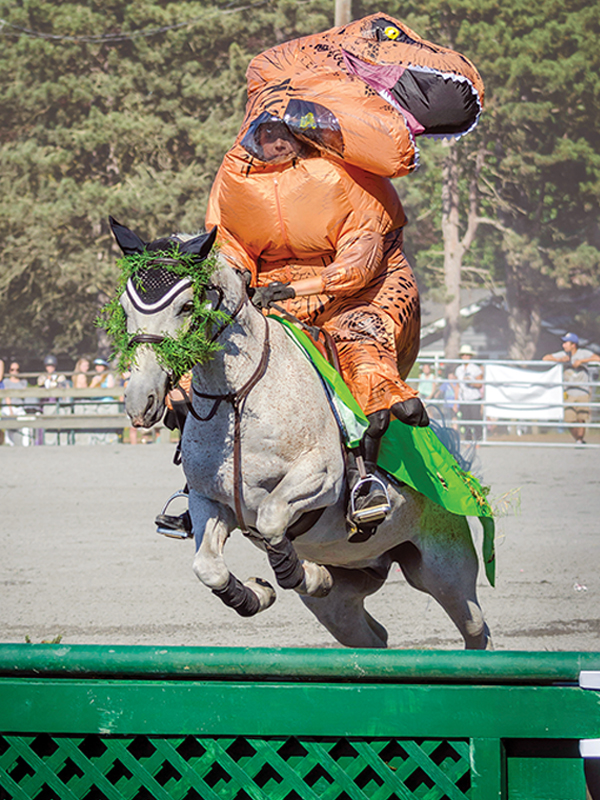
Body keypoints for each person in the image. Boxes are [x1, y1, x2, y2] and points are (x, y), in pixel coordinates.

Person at [543, 333, 600, 444]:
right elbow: (545, 358)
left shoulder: (583, 353)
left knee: (581, 418)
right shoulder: (563, 354)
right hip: (568, 392)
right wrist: (560, 360)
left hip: (583, 391)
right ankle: (579, 439)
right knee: (569, 420)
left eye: (566, 343)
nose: (564, 345)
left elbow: (597, 358)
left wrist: (582, 361)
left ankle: (579, 440)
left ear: (573, 345)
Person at [37, 355, 68, 445]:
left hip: (57, 401)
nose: (50, 368)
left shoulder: (59, 376)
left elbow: (62, 387)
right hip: (46, 402)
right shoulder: (42, 377)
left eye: (52, 366)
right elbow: (40, 386)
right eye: (48, 366)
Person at [455, 344, 483, 441]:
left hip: (474, 398)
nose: (465, 357)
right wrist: (456, 401)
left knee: (476, 419)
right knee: (465, 420)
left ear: (470, 356)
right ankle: (468, 440)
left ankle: (478, 440)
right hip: (463, 399)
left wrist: (471, 383)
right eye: (463, 355)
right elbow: (457, 386)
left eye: (467, 355)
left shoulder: (475, 369)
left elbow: (480, 384)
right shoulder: (458, 370)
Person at [2, 361, 30, 446]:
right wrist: (10, 410)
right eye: (12, 369)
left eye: (17, 370)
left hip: (19, 407)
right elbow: (7, 397)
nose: (14, 372)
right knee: (9, 423)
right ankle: (9, 444)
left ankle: (26, 445)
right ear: (9, 371)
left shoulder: (23, 382)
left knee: (26, 423)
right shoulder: (6, 381)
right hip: (8, 407)